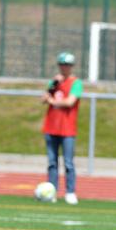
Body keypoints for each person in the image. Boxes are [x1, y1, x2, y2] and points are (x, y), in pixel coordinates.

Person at [41, 51, 82, 205]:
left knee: (69, 163)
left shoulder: (76, 83)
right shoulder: (55, 82)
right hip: (51, 127)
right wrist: (52, 86)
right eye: (62, 64)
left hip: (67, 129)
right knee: (52, 162)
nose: (65, 67)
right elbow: (43, 98)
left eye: (68, 65)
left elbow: (69, 102)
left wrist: (51, 101)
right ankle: (52, 191)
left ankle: (70, 192)